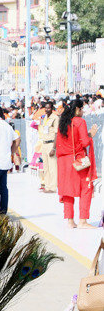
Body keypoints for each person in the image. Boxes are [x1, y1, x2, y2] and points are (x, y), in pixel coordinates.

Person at [55, 98, 98, 229]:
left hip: (63, 161)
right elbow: (84, 143)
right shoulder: (80, 121)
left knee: (67, 190)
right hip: (77, 160)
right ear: (78, 109)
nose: (83, 112)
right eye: (82, 109)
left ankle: (70, 221)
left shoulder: (63, 122)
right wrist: (91, 135)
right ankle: (83, 221)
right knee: (86, 188)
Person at [38, 100, 59, 194]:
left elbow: (56, 133)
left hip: (51, 143)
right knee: (45, 167)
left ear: (52, 109)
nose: (47, 109)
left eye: (49, 108)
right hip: (44, 143)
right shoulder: (45, 117)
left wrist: (54, 148)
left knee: (52, 167)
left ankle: (53, 187)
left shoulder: (55, 118)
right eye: (45, 108)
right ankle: (47, 185)